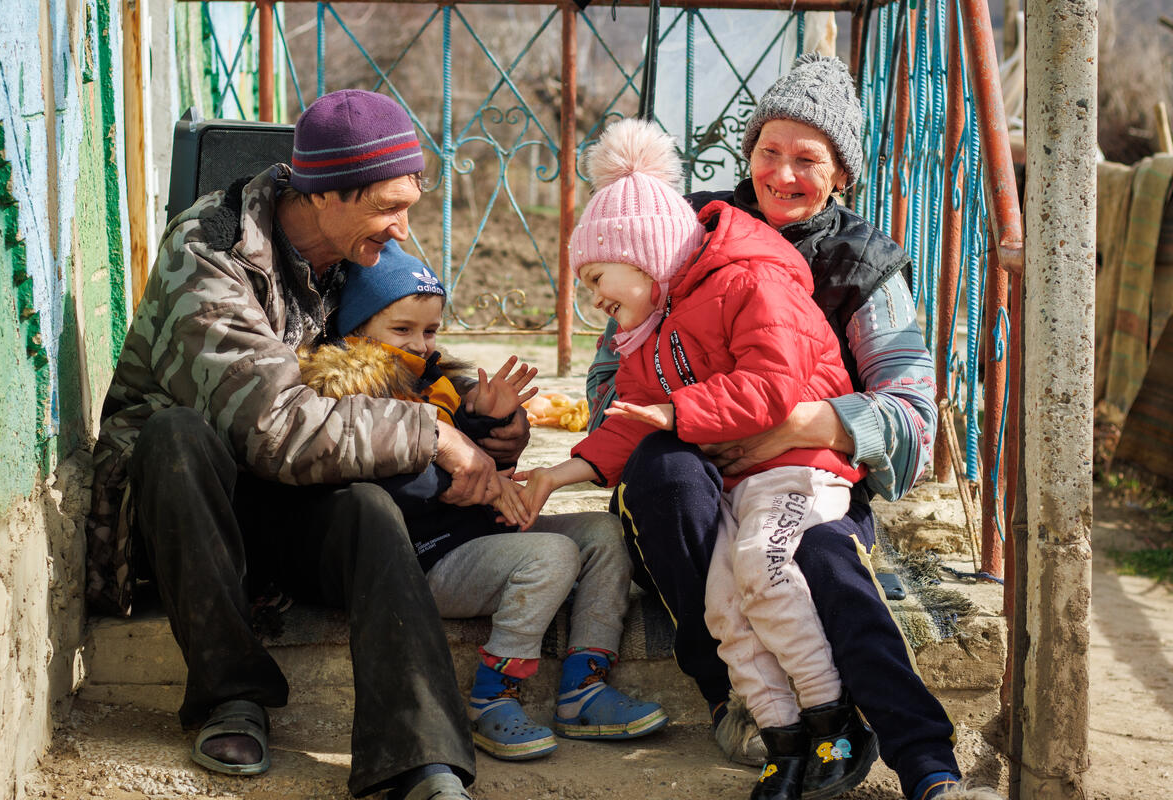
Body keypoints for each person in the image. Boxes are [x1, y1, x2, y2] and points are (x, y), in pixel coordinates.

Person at [584, 55, 997, 800]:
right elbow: (612, 376)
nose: (782, 175)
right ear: (748, 153)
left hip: (806, 474)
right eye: (768, 151)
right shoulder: (689, 231)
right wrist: (682, 426)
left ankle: (927, 765)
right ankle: (733, 698)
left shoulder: (863, 263)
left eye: (808, 159)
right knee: (666, 478)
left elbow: (912, 419)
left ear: (841, 173)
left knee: (822, 561)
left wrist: (803, 422)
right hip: (698, 473)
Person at [84, 89, 516, 800]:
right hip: (188, 515)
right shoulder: (211, 248)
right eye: (388, 207)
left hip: (281, 500)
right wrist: (430, 434)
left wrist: (478, 418)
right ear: (323, 195)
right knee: (175, 436)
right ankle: (231, 694)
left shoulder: (353, 250)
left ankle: (420, 757)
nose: (403, 231)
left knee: (372, 514)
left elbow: (408, 355)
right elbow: (275, 428)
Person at [514, 117, 878, 800]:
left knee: (761, 573)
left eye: (597, 276)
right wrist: (558, 473)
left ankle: (835, 717)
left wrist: (679, 413)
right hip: (743, 478)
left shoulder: (751, 282)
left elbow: (774, 386)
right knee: (721, 603)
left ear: (644, 254)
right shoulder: (653, 329)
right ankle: (783, 737)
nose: (593, 297)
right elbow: (629, 422)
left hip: (798, 466)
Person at [297, 241, 668, 761]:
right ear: (356, 331)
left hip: (474, 535)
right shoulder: (344, 393)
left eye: (430, 331)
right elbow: (366, 489)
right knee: (552, 555)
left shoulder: (437, 383)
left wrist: (486, 425)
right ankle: (493, 696)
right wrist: (464, 482)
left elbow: (461, 450)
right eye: (401, 330)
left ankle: (584, 687)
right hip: (419, 558)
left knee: (605, 535)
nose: (422, 344)